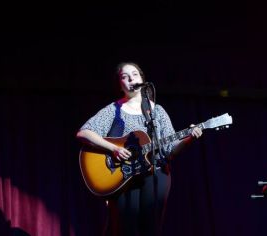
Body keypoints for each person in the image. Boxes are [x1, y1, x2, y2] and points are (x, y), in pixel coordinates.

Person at [76, 62, 202, 236]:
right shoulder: (115, 110)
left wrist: (189, 139)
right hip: (125, 176)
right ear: (120, 84)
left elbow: (170, 150)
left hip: (156, 172)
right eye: (124, 76)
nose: (130, 79)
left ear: (142, 79)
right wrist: (114, 149)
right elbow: (84, 133)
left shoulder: (157, 111)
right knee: (124, 229)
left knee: (151, 228)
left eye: (134, 74)